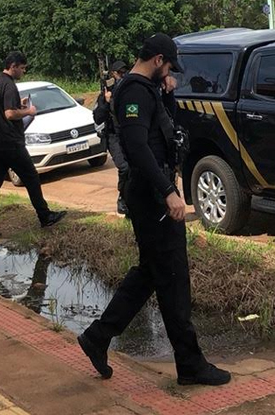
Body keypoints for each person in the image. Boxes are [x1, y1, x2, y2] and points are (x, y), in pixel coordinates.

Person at [78, 33, 231, 387]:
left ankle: (98, 336)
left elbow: (164, 134)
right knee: (173, 278)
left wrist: (169, 92)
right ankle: (191, 365)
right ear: (158, 59)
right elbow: (136, 147)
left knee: (152, 272)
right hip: (151, 195)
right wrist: (168, 192)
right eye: (168, 66)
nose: (169, 72)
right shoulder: (132, 92)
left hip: (153, 192)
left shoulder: (147, 91)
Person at [0, 51, 66, 240]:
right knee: (32, 178)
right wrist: (28, 110)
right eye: (22, 68)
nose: (23, 72)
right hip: (10, 142)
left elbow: (1, 108)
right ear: (13, 66)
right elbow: (9, 114)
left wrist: (19, 104)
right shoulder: (9, 86)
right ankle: (45, 216)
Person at [93, 60, 130, 215]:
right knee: (124, 167)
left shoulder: (129, 90)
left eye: (125, 72)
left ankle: (131, 198)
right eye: (120, 73)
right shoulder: (106, 94)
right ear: (114, 74)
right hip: (113, 136)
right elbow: (98, 118)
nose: (123, 75)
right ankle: (122, 198)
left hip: (128, 135)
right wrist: (106, 102)